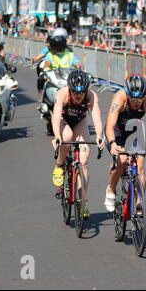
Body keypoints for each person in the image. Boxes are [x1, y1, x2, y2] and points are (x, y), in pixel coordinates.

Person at [103, 74, 146, 213]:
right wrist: (112, 143)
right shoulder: (120, 98)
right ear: (127, 94)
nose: (137, 102)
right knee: (122, 160)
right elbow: (110, 125)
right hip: (118, 131)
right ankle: (111, 191)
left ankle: (139, 208)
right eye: (133, 99)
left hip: (136, 132)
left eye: (140, 99)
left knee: (140, 169)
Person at [51, 70, 105, 219]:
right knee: (67, 136)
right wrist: (57, 136)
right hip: (63, 121)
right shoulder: (62, 94)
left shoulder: (91, 96)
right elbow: (55, 117)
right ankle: (60, 165)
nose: (78, 96)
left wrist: (100, 136)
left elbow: (96, 116)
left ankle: (82, 202)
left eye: (81, 93)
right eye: (75, 92)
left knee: (84, 159)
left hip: (80, 122)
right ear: (69, 89)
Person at [31, 28, 69, 107]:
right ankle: (40, 99)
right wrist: (34, 60)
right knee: (41, 79)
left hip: (63, 71)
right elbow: (41, 57)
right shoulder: (49, 49)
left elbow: (73, 62)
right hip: (50, 70)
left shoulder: (68, 51)